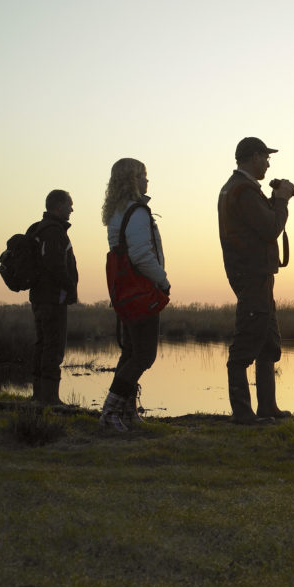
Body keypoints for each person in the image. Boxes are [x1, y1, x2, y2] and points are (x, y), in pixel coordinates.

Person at [218, 136, 294, 425]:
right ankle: (243, 414)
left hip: (253, 274)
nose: (268, 162)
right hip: (252, 274)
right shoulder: (244, 190)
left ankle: (267, 407)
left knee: (267, 341)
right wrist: (281, 201)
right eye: (265, 157)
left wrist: (274, 199)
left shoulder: (237, 189)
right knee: (246, 344)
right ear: (253, 157)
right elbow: (270, 228)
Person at [100, 158, 169, 432]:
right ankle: (111, 411)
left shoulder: (117, 212)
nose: (147, 181)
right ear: (132, 179)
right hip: (141, 291)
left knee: (131, 351)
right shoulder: (137, 211)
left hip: (124, 291)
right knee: (143, 355)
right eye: (143, 175)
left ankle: (127, 412)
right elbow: (141, 254)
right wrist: (162, 280)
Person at [28, 189, 79, 406]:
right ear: (58, 206)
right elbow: (55, 265)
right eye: (69, 204)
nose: (72, 209)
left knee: (43, 345)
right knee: (53, 347)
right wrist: (70, 287)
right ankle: (49, 399)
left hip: (41, 297)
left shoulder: (39, 228)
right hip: (52, 298)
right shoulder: (53, 231)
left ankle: (39, 396)